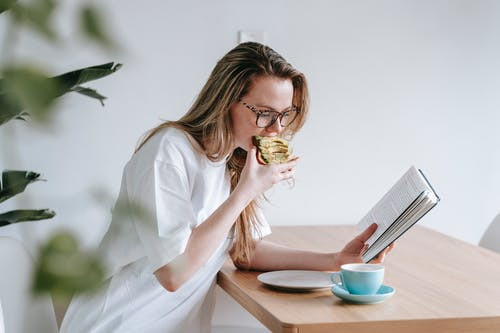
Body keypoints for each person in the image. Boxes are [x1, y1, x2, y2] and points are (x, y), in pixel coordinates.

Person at [60, 42, 394, 333]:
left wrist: (335, 260)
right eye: (264, 113)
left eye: (285, 114)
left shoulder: (233, 160)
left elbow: (245, 251)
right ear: (226, 102)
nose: (276, 129)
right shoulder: (169, 152)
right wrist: (245, 193)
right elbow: (174, 275)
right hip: (120, 324)